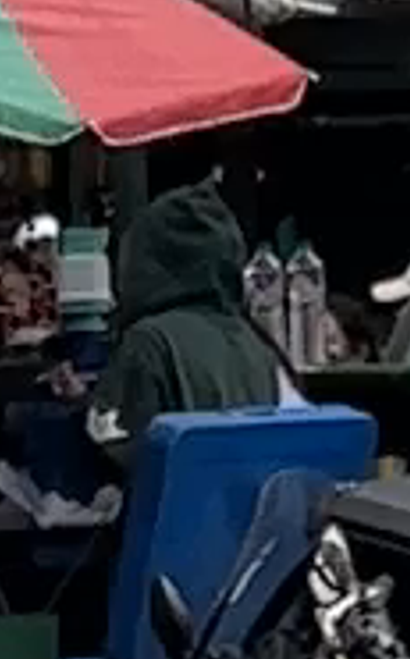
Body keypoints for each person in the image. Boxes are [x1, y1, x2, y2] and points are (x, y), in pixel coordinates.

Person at [84, 183, 291, 460]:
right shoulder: (255, 344)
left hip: (169, 488)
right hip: (240, 486)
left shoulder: (148, 342)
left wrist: (83, 406)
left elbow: (117, 450)